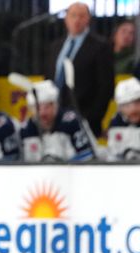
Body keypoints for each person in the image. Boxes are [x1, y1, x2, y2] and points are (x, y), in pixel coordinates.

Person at [46, 2, 113, 137]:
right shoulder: (55, 46)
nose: (77, 20)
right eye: (73, 15)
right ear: (66, 19)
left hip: (84, 120)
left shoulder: (100, 46)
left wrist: (91, 118)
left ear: (88, 19)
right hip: (55, 120)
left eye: (82, 16)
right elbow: (48, 79)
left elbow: (106, 86)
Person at [19, 80, 93, 162]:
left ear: (55, 106)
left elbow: (87, 157)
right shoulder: (26, 130)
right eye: (37, 108)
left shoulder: (72, 122)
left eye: (47, 107)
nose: (42, 113)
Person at [106, 77, 140, 161]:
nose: (133, 109)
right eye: (126, 105)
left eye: (137, 103)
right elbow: (113, 155)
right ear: (119, 107)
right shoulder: (116, 124)